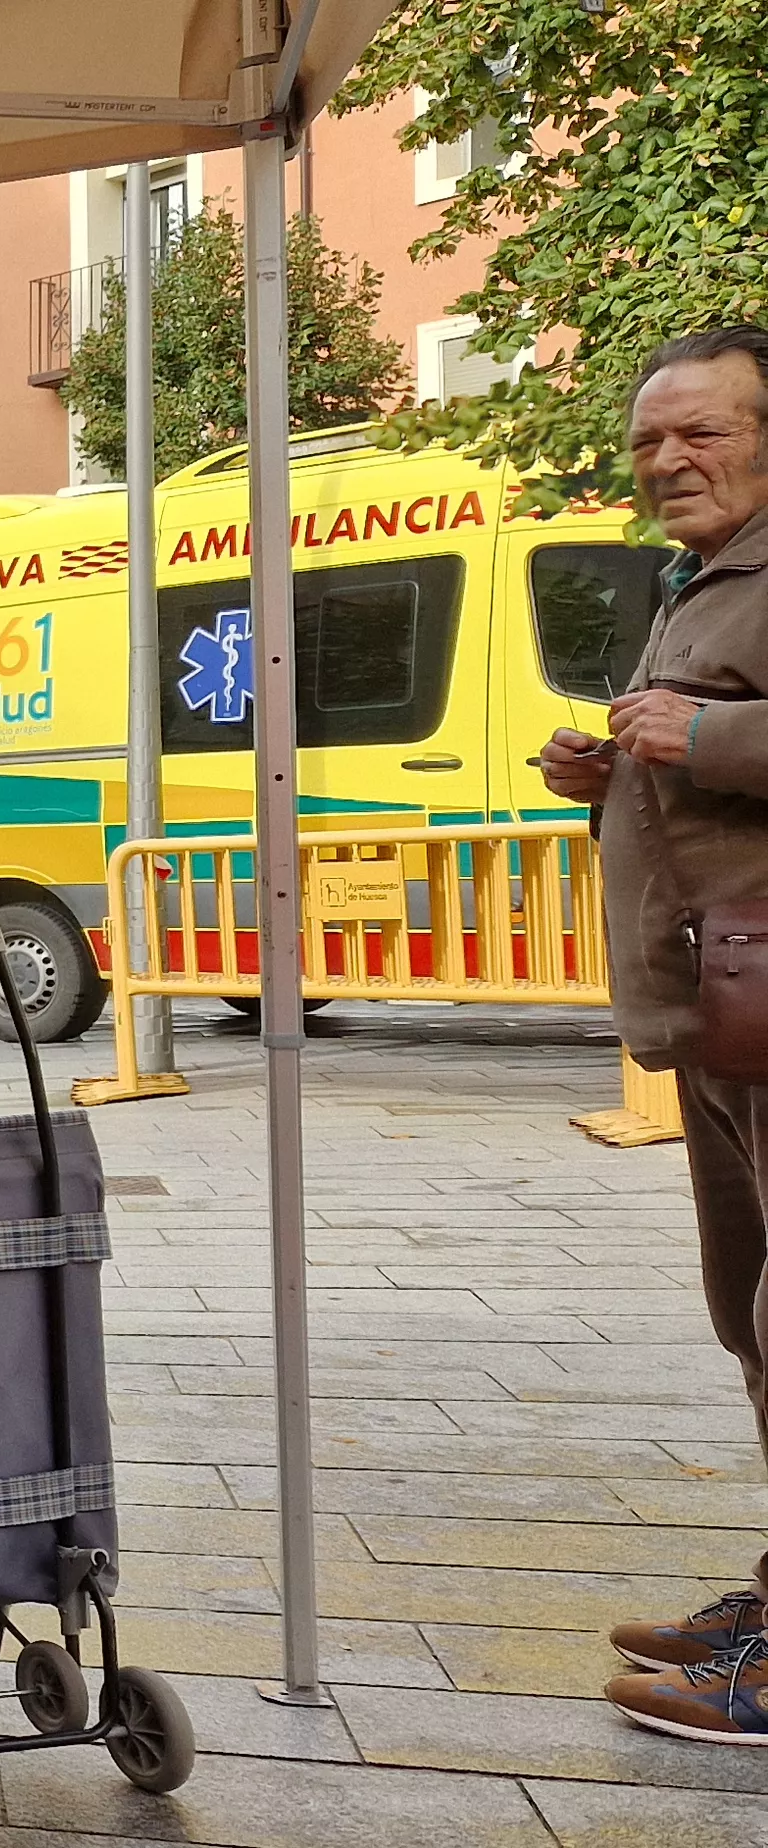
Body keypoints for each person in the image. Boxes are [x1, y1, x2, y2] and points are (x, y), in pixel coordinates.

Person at [550, 327, 768, 1744]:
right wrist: (607, 771)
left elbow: (726, 743)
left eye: (702, 431)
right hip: (720, 1016)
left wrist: (712, 742)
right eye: (648, 442)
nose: (668, 460)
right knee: (749, 1315)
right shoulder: (703, 582)